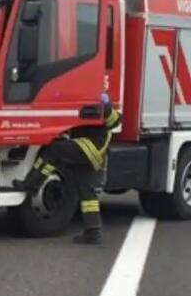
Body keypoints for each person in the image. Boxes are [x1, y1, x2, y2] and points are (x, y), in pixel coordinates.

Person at [15, 93, 123, 245]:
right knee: (86, 190)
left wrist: (106, 107)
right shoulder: (79, 95)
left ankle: (32, 184)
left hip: (90, 146)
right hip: (87, 147)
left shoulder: (99, 98)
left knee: (53, 151)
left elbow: (115, 121)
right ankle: (93, 232)